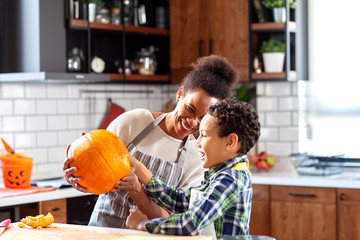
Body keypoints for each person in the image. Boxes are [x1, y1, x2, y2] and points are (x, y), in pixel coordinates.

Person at [62, 55, 239, 228]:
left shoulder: (197, 156)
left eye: (202, 117)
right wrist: (79, 179)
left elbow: (172, 220)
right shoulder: (134, 122)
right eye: (189, 109)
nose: (192, 122)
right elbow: (95, 166)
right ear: (179, 95)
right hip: (102, 230)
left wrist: (137, 190)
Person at [120, 98, 261, 239]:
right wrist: (139, 168)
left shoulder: (230, 179)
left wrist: (143, 225)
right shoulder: (220, 174)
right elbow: (179, 201)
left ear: (230, 142)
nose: (197, 143)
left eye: (204, 135)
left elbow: (189, 224)